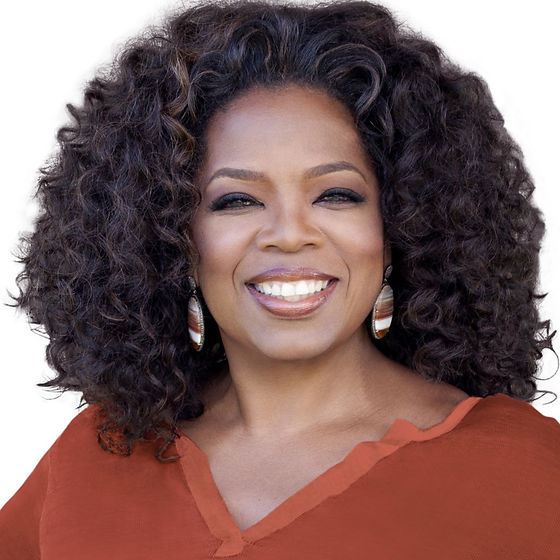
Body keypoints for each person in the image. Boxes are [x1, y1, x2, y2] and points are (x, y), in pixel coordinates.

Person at [1, 0, 559, 558]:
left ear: (400, 225)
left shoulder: (524, 472)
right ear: (171, 238)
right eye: (237, 200)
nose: (289, 235)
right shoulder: (95, 457)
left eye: (335, 195)